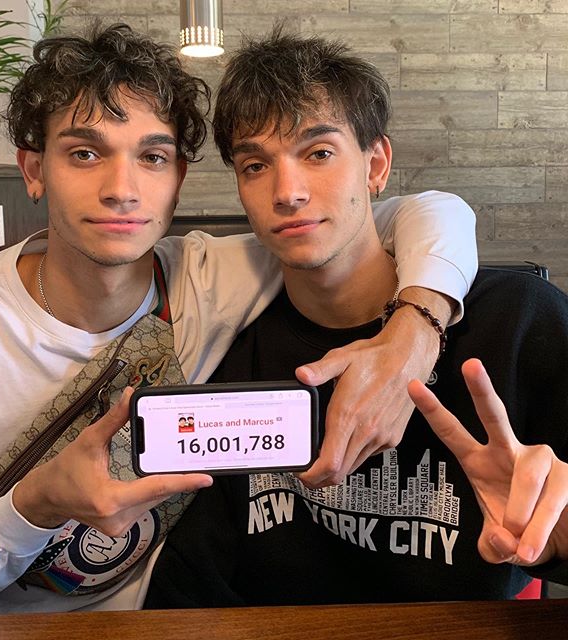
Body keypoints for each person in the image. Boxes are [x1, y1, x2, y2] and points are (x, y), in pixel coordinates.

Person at [0, 24, 477, 615]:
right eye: (85, 153)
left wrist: (413, 334)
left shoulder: (212, 274)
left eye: (152, 157)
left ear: (178, 179)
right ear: (34, 170)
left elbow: (419, 212)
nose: (121, 190)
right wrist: (35, 504)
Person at [144, 29, 568, 607]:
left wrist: (557, 539)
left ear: (376, 165)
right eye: (255, 164)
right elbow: (193, 576)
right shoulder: (232, 341)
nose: (288, 192)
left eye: (318, 153)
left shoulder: (520, 320)